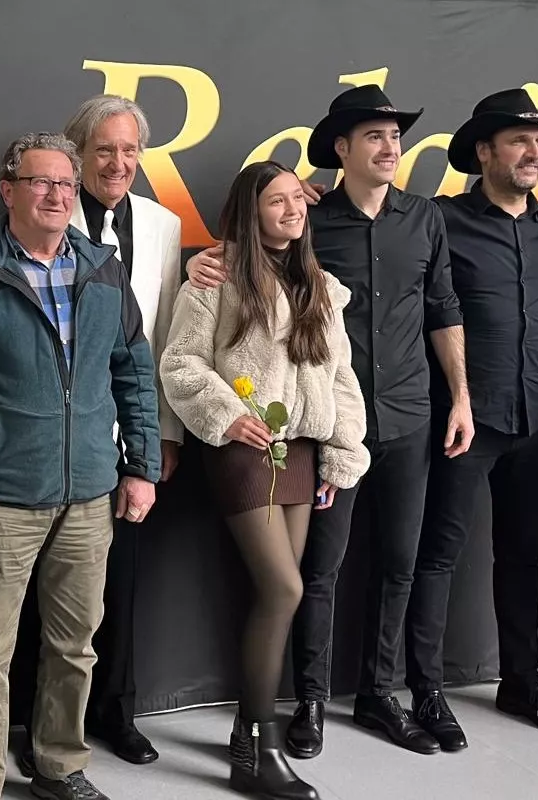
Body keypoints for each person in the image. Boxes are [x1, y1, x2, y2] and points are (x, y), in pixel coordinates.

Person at [186, 85, 471, 758]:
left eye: (395, 135)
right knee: (315, 571)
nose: (389, 145)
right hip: (301, 437)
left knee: (399, 563)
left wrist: (459, 397)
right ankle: (306, 703)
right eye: (372, 135)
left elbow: (442, 308)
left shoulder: (421, 221)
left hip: (399, 417)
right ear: (340, 148)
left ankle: (380, 695)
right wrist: (203, 255)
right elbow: (236, 276)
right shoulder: (310, 220)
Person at [0, 132, 162, 800]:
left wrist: (143, 466)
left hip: (88, 494)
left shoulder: (102, 269)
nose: (55, 195)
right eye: (41, 182)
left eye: (65, 185)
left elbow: (134, 369)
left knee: (75, 646)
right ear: (9, 189)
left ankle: (58, 765)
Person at [161, 160, 369, 799]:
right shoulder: (216, 278)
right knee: (283, 591)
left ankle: (246, 734)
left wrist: (340, 451)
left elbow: (339, 377)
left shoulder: (320, 285)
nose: (292, 210)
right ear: (250, 212)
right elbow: (181, 363)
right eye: (275, 202)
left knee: (278, 593)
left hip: (303, 452)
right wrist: (227, 417)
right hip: (244, 450)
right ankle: (261, 743)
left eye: (295, 200)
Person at [401, 88, 538, 750]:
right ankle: (423, 689)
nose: (534, 150)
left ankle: (521, 682)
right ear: (484, 152)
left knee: (521, 556)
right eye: (518, 140)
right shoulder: (437, 220)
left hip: (534, 418)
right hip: (460, 421)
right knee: (437, 557)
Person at [9, 94, 183, 773]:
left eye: (130, 150)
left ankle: (117, 710)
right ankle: (35, 723)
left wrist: (161, 440)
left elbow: (162, 339)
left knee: (121, 587)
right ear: (77, 156)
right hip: (47, 443)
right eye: (104, 150)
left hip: (127, 442)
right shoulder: (38, 213)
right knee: (38, 596)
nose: (118, 163)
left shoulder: (164, 226)